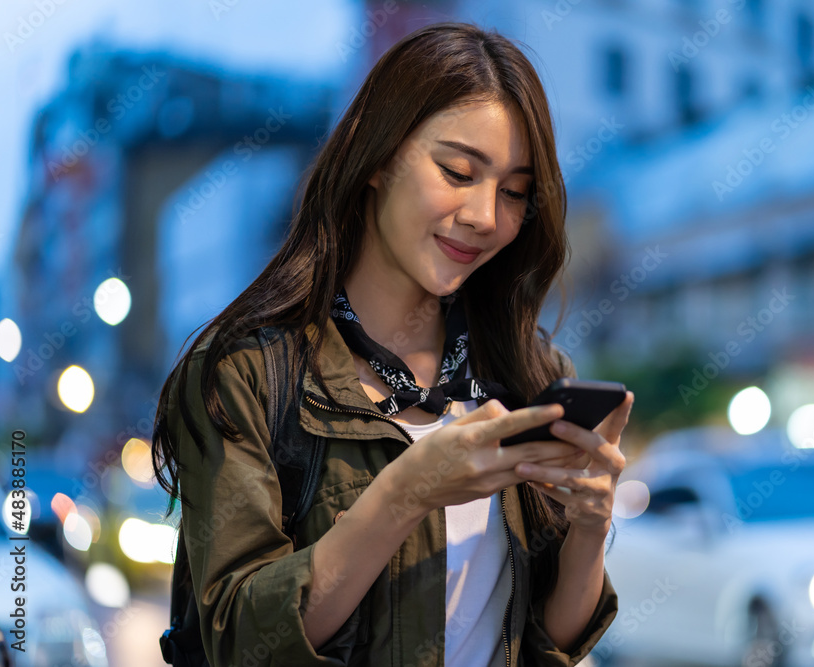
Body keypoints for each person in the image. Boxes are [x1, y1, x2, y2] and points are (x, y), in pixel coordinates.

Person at [151, 20, 634, 667]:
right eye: (458, 171)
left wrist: (590, 528)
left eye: (515, 191)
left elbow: (551, 643)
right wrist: (406, 490)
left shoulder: (525, 372)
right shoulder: (250, 371)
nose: (486, 216)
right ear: (379, 157)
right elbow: (239, 641)